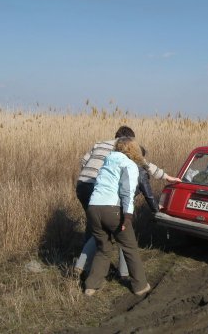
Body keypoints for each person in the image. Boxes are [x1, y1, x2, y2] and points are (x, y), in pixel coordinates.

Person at [74, 126, 180, 274]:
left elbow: (83, 161)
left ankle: (85, 264)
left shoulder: (99, 143)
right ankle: (110, 270)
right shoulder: (124, 148)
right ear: (129, 140)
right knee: (112, 229)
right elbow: (144, 165)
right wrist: (167, 176)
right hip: (100, 188)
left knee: (94, 224)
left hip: (82, 185)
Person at [75, 146, 159, 277]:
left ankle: (81, 265)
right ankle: (124, 272)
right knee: (125, 240)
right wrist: (156, 211)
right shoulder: (139, 171)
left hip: (100, 204)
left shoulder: (111, 165)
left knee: (99, 237)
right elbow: (149, 196)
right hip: (118, 208)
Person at [84, 137, 150, 296]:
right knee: (130, 247)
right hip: (112, 209)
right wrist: (128, 216)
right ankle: (140, 286)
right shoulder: (129, 165)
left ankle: (91, 286)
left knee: (103, 248)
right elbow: (126, 191)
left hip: (93, 208)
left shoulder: (107, 162)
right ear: (134, 150)